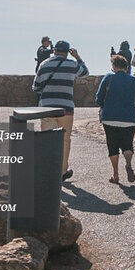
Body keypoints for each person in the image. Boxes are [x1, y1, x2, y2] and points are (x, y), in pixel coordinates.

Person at [32, 41, 89, 180]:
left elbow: (35, 87)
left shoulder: (44, 64)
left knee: (48, 140)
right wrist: (78, 57)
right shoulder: (72, 64)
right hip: (66, 108)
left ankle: (48, 170)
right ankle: (62, 171)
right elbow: (85, 73)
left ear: (54, 50)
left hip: (47, 108)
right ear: (68, 51)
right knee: (64, 140)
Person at [96, 54, 135, 184]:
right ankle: (128, 163)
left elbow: (98, 98)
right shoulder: (133, 80)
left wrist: (105, 107)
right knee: (127, 144)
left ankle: (115, 174)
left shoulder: (109, 77)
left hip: (110, 117)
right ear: (126, 67)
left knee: (112, 145)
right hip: (129, 117)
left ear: (114, 66)